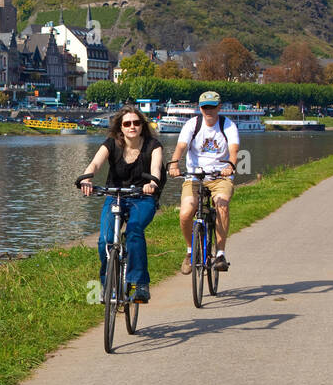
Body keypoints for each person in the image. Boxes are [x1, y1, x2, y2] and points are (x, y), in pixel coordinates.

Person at [78, 104, 165, 303]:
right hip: (115, 195)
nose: (132, 126)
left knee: (134, 230)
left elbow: (156, 169)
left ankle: (140, 284)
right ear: (121, 128)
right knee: (105, 241)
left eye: (136, 123)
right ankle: (107, 284)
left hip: (143, 198)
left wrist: (152, 183)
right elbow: (96, 163)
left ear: (142, 125)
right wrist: (87, 178)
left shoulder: (153, 145)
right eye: (127, 124)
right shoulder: (111, 143)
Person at [170, 90, 239, 274]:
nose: (208, 111)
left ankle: (220, 254)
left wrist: (230, 165)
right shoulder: (192, 125)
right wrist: (174, 162)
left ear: (219, 107)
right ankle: (190, 251)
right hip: (194, 177)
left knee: (221, 205)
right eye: (205, 107)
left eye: (212, 107)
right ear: (199, 108)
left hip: (220, 177)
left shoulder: (228, 125)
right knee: (186, 213)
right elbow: (181, 146)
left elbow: (233, 150)